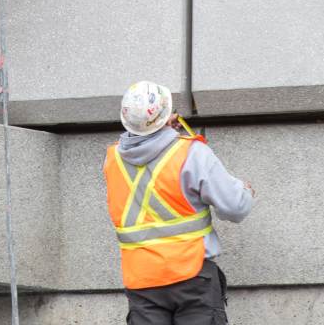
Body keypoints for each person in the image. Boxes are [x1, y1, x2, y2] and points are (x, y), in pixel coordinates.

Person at [105, 81, 255, 325]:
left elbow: (140, 148)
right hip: (191, 276)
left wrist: (162, 130)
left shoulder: (112, 160)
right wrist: (246, 191)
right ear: (167, 115)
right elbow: (234, 207)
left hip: (142, 280)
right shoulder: (191, 153)